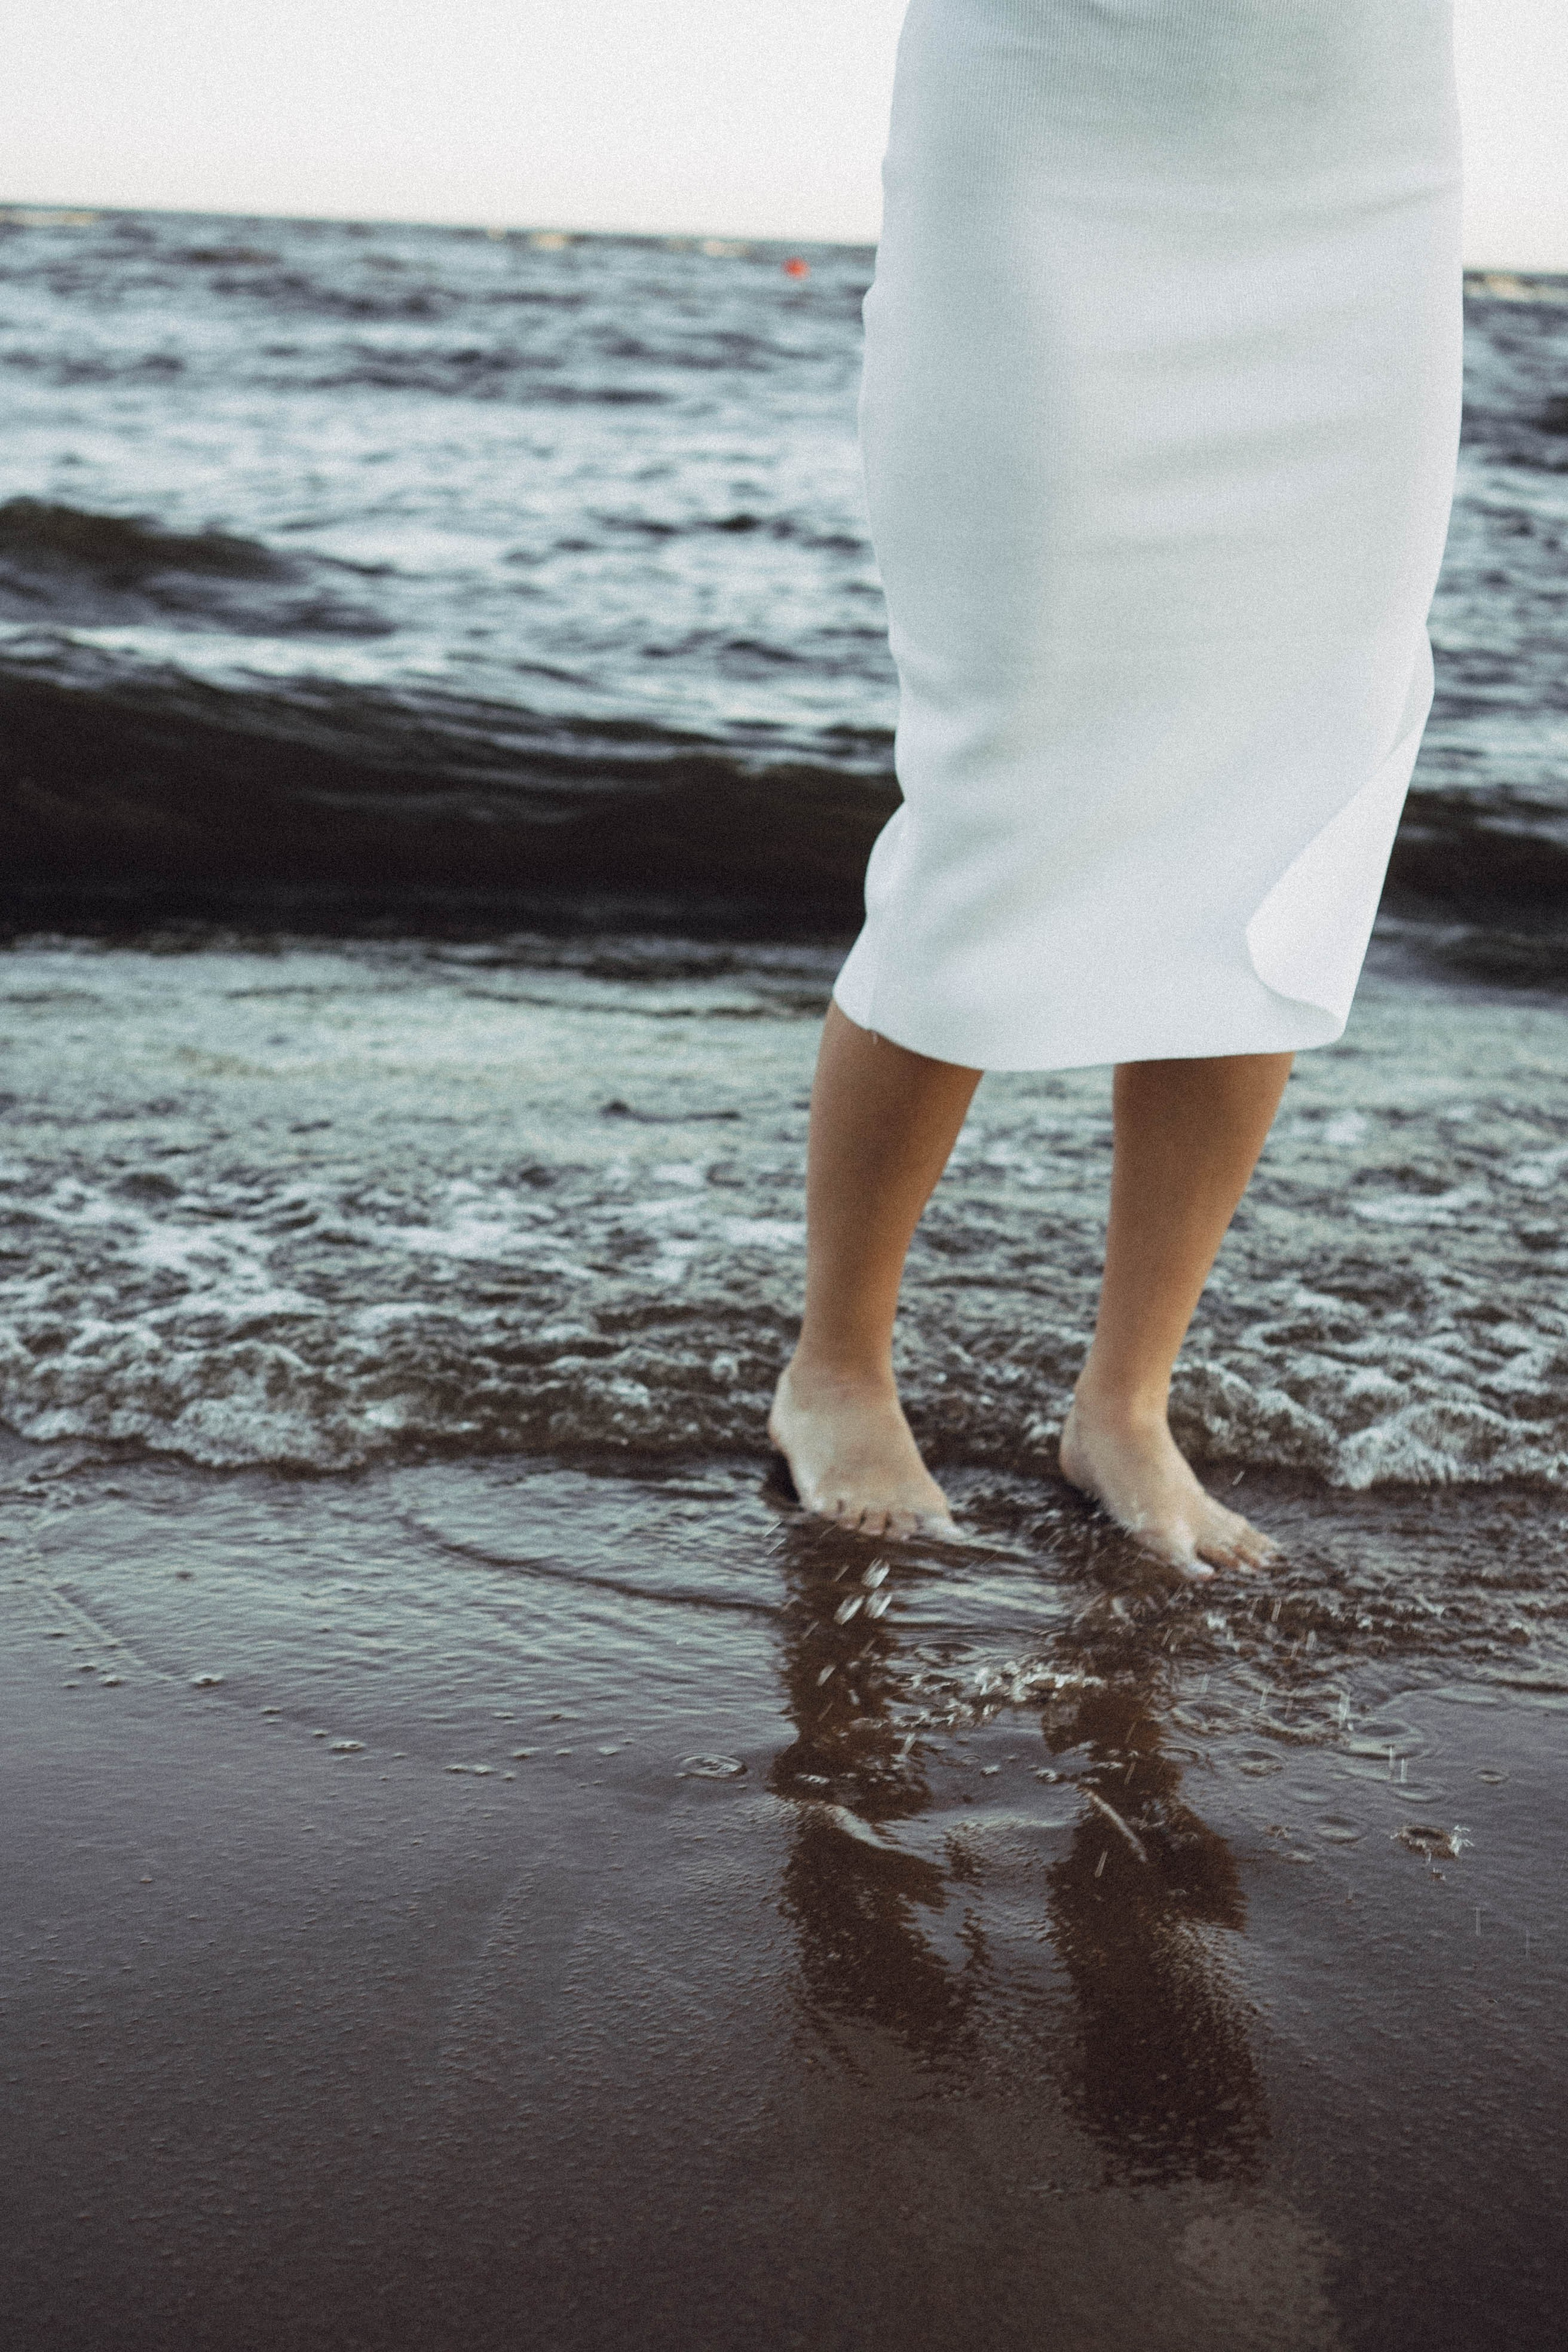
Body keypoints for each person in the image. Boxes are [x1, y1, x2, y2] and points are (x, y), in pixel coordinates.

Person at [767, 1, 1464, 1574]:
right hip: (1049, 110)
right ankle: (835, 1368)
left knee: (1287, 776)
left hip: (1349, 162)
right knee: (1001, 785)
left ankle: (1124, 1405)